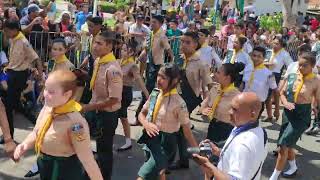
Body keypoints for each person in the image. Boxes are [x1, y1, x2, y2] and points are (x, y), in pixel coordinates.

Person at [13, 70, 103, 180]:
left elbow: (87, 158)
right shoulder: (48, 108)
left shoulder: (75, 123)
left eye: (51, 92)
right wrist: (25, 144)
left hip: (63, 170)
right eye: (45, 88)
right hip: (45, 164)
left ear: (67, 94)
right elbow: (37, 132)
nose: (45, 94)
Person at [137, 63, 198, 180]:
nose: (159, 80)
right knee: (160, 172)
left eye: (163, 77)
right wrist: (146, 124)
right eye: (158, 75)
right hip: (150, 139)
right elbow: (141, 114)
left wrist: (197, 151)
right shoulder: (155, 93)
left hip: (165, 145)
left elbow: (187, 131)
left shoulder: (179, 103)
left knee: (143, 175)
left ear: (174, 80)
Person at [193, 92, 268, 180]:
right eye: (230, 107)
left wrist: (209, 166)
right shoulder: (260, 131)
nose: (229, 112)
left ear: (252, 114)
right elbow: (246, 161)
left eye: (235, 109)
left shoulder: (243, 145)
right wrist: (219, 152)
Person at [270, 52, 320, 180]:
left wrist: (316, 110)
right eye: (300, 65)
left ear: (312, 66)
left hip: (302, 116)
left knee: (283, 144)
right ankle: (293, 168)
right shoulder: (292, 76)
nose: (301, 68)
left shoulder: (316, 80)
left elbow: (318, 100)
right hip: (288, 113)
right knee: (289, 144)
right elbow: (281, 93)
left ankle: (273, 177)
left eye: (305, 65)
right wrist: (285, 103)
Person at [81, 30, 123, 180]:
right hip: (95, 110)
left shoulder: (112, 69)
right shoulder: (99, 61)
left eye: (99, 43)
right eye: (94, 42)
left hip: (106, 115)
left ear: (109, 45)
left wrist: (88, 107)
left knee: (104, 151)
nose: (95, 46)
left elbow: (114, 99)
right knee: (92, 145)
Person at [169, 31, 213, 170]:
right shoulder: (180, 58)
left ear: (195, 44)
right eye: (182, 41)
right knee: (180, 129)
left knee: (178, 128)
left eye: (188, 42)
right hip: (176, 96)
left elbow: (209, 84)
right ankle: (184, 158)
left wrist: (209, 104)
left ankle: (181, 159)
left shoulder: (200, 62)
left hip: (190, 98)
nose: (184, 45)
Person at [2, 19, 43, 144]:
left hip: (18, 76)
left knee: (9, 106)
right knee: (15, 106)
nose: (6, 33)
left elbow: (36, 58)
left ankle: (9, 136)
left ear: (14, 30)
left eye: (7, 31)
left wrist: (40, 76)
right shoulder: (13, 39)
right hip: (10, 73)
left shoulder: (23, 41)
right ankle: (38, 126)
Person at [135, 15, 173, 123]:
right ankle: (146, 116)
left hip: (157, 67)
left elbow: (169, 51)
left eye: (154, 22)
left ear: (161, 24)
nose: (152, 24)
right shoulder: (150, 34)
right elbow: (146, 50)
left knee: (149, 92)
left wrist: (170, 65)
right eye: (151, 22)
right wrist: (138, 58)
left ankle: (141, 117)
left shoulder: (162, 36)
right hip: (150, 65)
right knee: (149, 92)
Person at [117, 40, 149, 151]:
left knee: (123, 117)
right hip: (117, 93)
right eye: (122, 49)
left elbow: (139, 80)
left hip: (125, 94)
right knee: (120, 118)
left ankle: (128, 142)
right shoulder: (120, 61)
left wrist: (147, 95)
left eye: (125, 50)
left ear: (131, 52)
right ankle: (127, 141)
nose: (122, 51)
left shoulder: (132, 65)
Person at [200, 63, 242, 148]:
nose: (215, 74)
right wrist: (203, 109)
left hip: (226, 130)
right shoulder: (215, 88)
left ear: (227, 77)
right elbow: (205, 103)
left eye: (218, 72)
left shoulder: (237, 96)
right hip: (213, 126)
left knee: (220, 156)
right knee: (207, 152)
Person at [244, 46, 280, 119]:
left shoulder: (269, 74)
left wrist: (277, 109)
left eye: (259, 56)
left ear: (263, 58)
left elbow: (276, 91)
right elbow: (244, 83)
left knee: (250, 125)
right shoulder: (247, 67)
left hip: (257, 104)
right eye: (254, 55)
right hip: (244, 101)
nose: (256, 58)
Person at [263, 35, 293, 122]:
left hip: (274, 75)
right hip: (265, 73)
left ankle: (276, 111)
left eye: (277, 44)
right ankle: (269, 115)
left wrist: (287, 78)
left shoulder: (284, 54)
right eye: (273, 43)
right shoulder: (269, 52)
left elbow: (290, 66)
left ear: (281, 45)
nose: (274, 45)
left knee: (271, 94)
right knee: (267, 96)